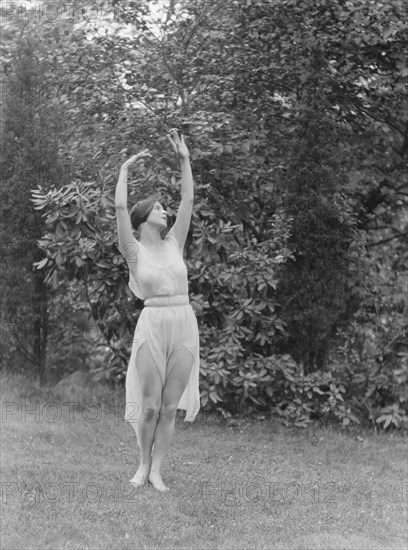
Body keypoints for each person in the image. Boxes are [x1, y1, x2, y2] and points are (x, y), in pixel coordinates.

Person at [115, 130, 200, 492]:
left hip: (183, 321)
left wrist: (184, 159)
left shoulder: (174, 242)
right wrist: (124, 170)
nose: (166, 211)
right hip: (152, 323)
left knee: (169, 407)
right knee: (149, 406)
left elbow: (188, 199)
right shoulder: (133, 250)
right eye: (159, 209)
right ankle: (143, 463)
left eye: (166, 209)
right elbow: (120, 208)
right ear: (144, 217)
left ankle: (157, 470)